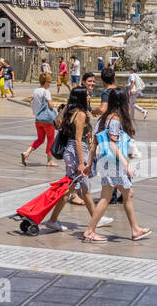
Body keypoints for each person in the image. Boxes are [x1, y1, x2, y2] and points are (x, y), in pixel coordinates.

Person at [83, 87, 150, 242]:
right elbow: (113, 145)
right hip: (113, 163)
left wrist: (89, 162)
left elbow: (95, 141)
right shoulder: (115, 120)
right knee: (110, 197)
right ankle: (90, 231)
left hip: (106, 162)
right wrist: (126, 165)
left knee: (120, 195)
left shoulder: (104, 118)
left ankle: (135, 229)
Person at [45, 86, 113, 231]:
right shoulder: (80, 114)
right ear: (82, 97)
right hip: (76, 151)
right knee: (71, 188)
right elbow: (77, 139)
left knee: (83, 187)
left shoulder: (72, 111)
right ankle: (53, 219)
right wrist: (82, 163)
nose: (90, 96)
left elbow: (60, 124)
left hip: (71, 150)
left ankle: (95, 217)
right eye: (87, 94)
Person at [20, 73, 58, 167]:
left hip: (38, 119)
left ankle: (27, 153)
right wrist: (54, 106)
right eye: (49, 82)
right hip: (47, 121)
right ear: (45, 82)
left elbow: (33, 104)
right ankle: (49, 161)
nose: (49, 84)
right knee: (50, 139)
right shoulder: (46, 91)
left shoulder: (35, 91)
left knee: (40, 139)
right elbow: (50, 104)